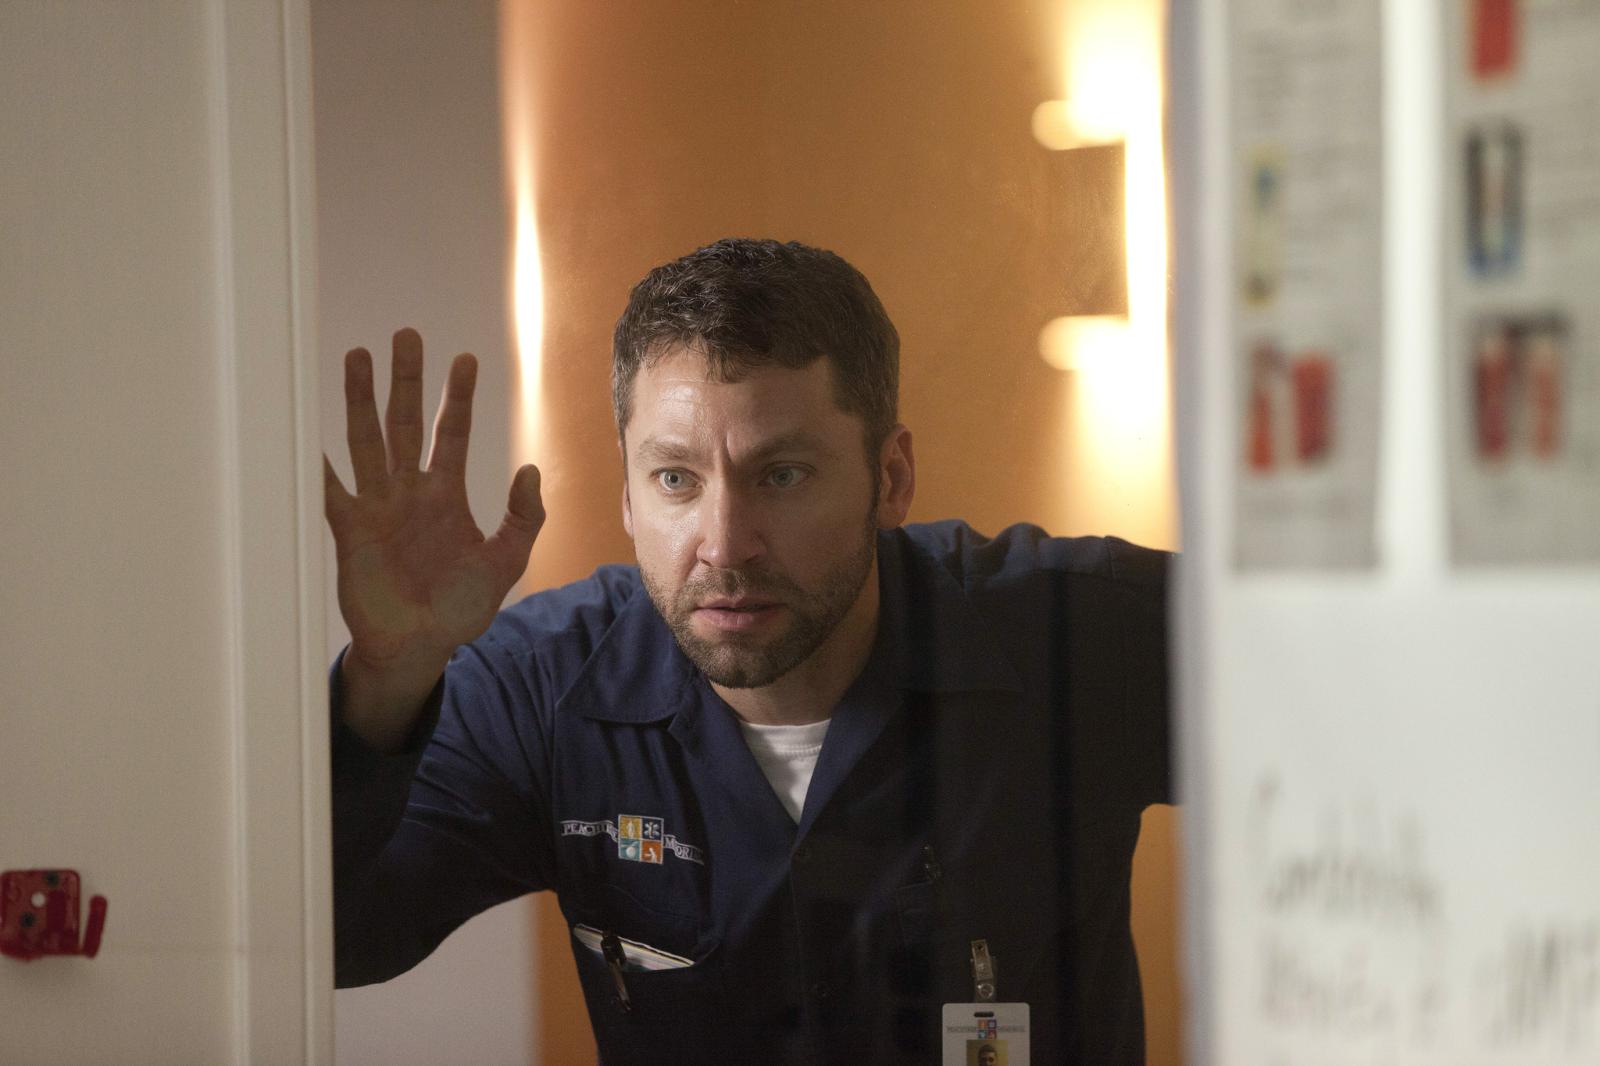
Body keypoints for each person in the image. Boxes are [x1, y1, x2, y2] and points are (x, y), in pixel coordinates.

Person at [326, 238, 1171, 1065]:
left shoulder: (1073, 633)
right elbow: (343, 939)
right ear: (628, 492)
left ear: (891, 479)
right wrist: (385, 683)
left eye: (782, 475)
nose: (724, 545)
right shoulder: (542, 688)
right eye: (675, 479)